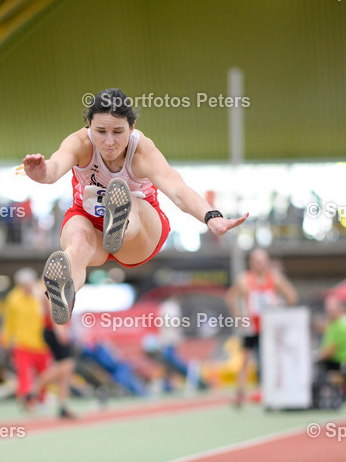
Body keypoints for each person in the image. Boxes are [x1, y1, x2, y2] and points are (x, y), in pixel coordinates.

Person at [21, 88, 248, 325]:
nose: (109, 142)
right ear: (88, 126)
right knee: (76, 244)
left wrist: (211, 216)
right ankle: (66, 291)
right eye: (100, 131)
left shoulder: (142, 151)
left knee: (130, 201)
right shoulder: (79, 143)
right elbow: (55, 167)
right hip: (89, 219)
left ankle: (120, 225)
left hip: (141, 230)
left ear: (132, 127)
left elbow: (177, 190)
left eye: (118, 132)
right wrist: (42, 172)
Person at [226, 250, 298, 406]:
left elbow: (291, 296)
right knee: (245, 359)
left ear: (266, 262)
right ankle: (240, 394)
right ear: (251, 262)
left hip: (270, 327)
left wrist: (280, 310)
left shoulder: (274, 278)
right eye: (256, 261)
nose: (259, 264)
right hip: (251, 326)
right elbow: (230, 297)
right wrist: (238, 315)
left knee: (272, 359)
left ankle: (271, 391)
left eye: (262, 261)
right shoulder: (244, 280)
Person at [0, 268, 51, 411]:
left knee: (44, 374)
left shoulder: (41, 295)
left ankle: (41, 400)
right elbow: (8, 320)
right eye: (23, 284)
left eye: (29, 283)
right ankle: (25, 401)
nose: (26, 287)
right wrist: (5, 339)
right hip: (22, 344)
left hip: (42, 344)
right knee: (24, 375)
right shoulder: (13, 298)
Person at [28, 299, 76, 419]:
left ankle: (63, 405)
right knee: (65, 367)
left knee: (66, 370)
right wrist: (60, 330)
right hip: (55, 330)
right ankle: (34, 390)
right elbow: (53, 308)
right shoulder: (54, 287)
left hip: (57, 330)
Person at [319, 297, 346, 380]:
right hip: (335, 362)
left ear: (339, 310)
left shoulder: (340, 326)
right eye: (328, 311)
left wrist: (318, 357)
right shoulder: (333, 325)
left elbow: (331, 349)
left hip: (338, 364)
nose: (329, 314)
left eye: (331, 311)